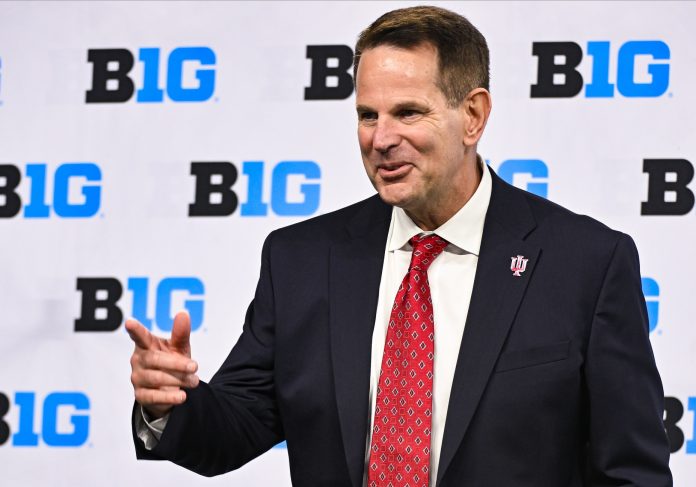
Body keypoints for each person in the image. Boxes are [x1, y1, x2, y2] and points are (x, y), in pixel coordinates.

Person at [127, 5, 672, 486]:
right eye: (368, 115)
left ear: (474, 116)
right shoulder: (302, 259)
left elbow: (631, 471)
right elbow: (235, 428)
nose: (381, 138)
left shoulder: (586, 262)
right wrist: (172, 405)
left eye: (408, 112)